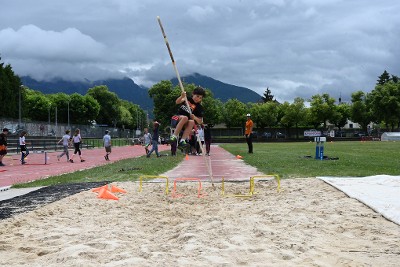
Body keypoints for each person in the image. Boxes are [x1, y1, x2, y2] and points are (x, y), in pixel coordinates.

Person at [170, 86, 205, 150]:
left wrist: (194, 117)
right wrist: (182, 96)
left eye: (200, 98)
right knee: (185, 117)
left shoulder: (199, 107)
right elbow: (177, 102)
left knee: (192, 121)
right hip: (177, 118)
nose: (198, 99)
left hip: (186, 124)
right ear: (193, 94)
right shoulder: (187, 99)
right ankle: (174, 136)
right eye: (197, 96)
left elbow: (200, 121)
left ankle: (182, 140)